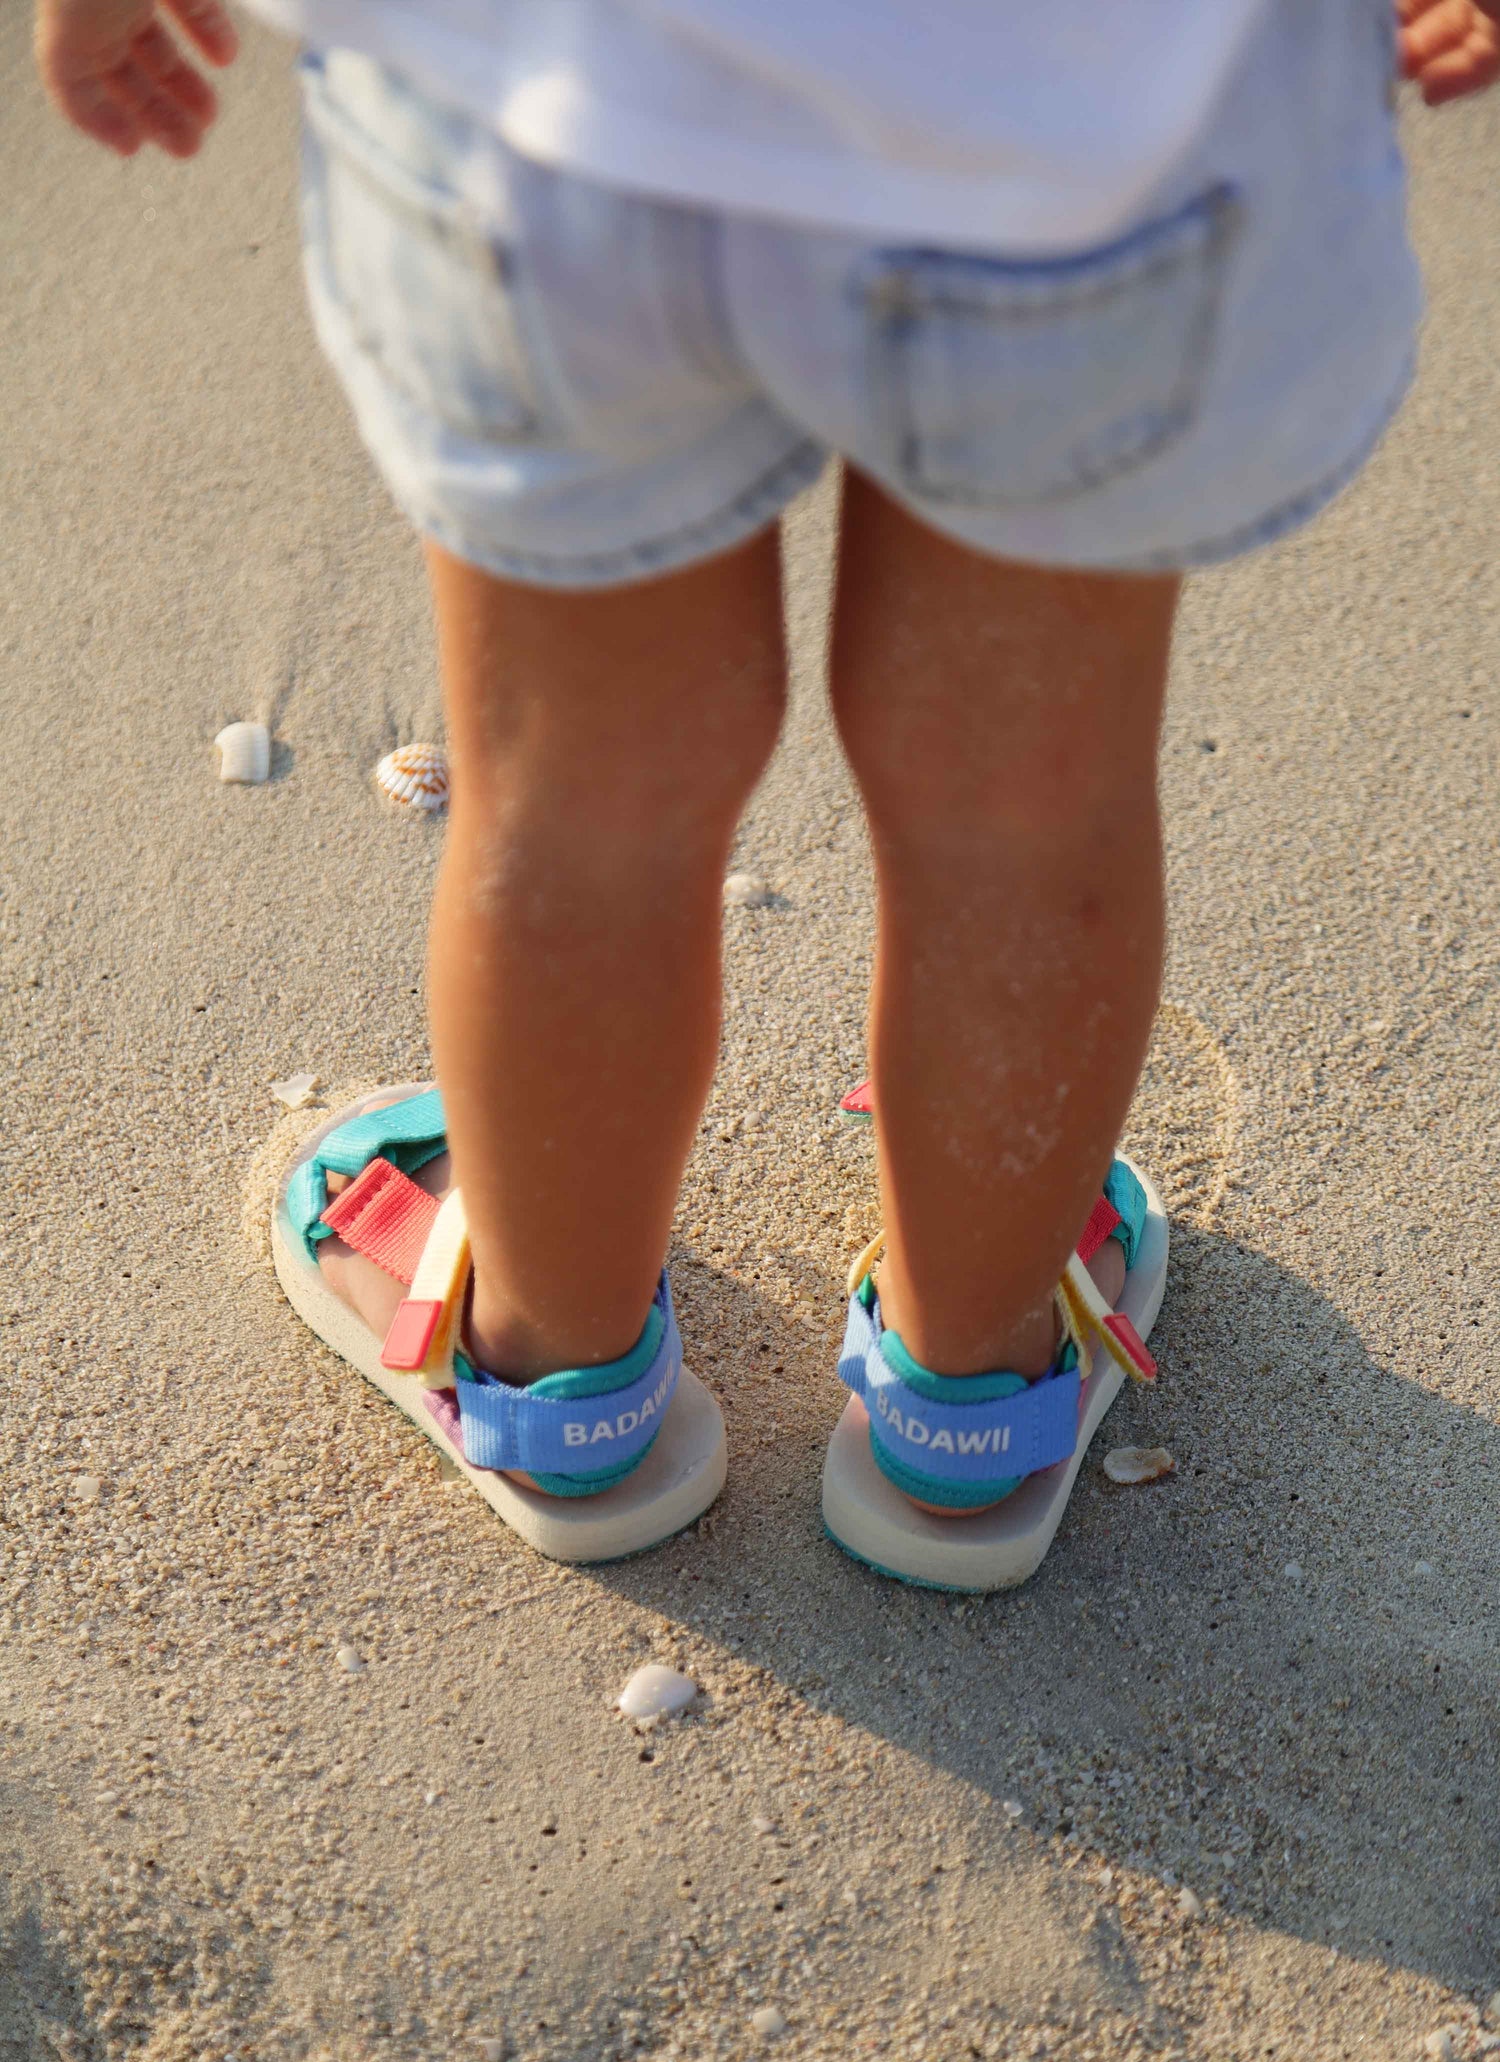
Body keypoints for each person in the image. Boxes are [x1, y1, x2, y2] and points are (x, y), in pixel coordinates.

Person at [33, 0, 1500, 1589]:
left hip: (546, 118)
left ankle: (564, 1392)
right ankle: (969, 1408)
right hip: (1084, 134)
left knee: (582, 798)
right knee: (1022, 805)